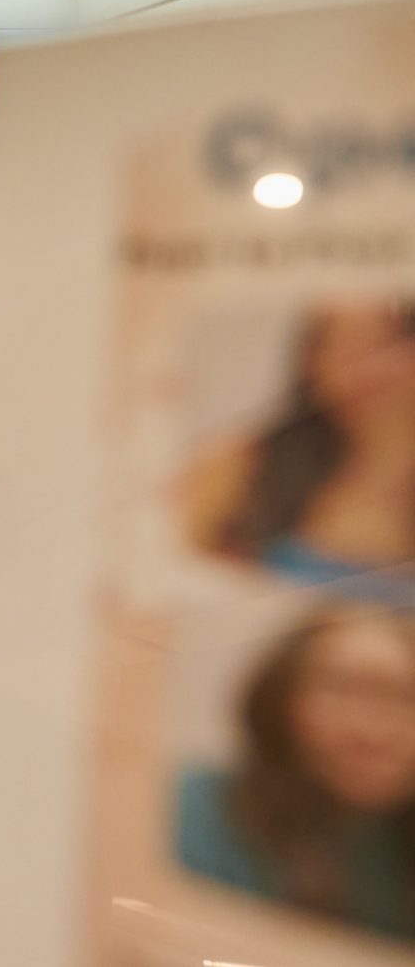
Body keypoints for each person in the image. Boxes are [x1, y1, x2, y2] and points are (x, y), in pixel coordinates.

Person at [174, 605, 415, 942]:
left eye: (405, 698)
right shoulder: (197, 808)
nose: (372, 731)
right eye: (343, 689)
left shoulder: (396, 850)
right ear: (280, 701)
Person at [183, 304, 415, 602]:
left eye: (384, 345)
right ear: (310, 362)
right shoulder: (243, 464)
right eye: (340, 350)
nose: (363, 372)